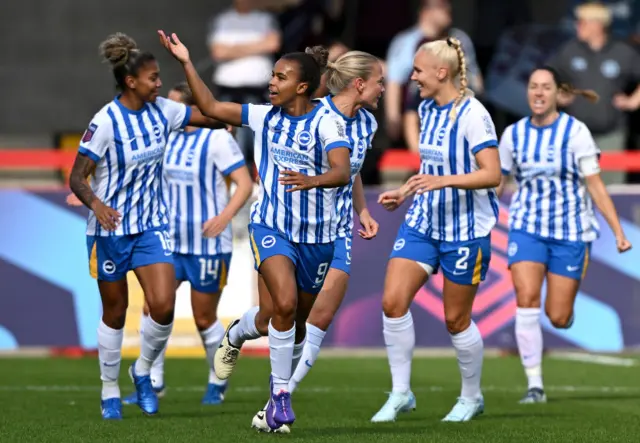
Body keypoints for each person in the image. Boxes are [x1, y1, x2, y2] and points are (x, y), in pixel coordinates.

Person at [157, 31, 351, 430]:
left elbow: (342, 170)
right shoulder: (264, 116)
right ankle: (280, 398)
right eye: (272, 75)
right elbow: (209, 106)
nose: (271, 83)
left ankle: (237, 334)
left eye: (280, 77)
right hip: (271, 226)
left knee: (285, 320)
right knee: (283, 304)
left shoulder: (327, 123)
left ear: (301, 86)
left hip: (318, 237)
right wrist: (187, 62)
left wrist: (312, 181)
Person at [69, 33, 229, 420]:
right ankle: (109, 391)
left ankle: (141, 370)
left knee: (162, 306)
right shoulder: (105, 122)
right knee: (116, 312)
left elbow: (211, 113)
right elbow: (77, 177)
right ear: (131, 82)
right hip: (109, 229)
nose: (159, 84)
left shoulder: (165, 111)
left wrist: (187, 64)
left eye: (159, 77)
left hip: (152, 226)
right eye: (154, 78)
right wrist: (96, 203)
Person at [248, 50, 384, 434]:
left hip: (337, 231)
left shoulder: (367, 124)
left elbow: (350, 171)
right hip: (293, 227)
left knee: (315, 319)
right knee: (269, 317)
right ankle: (237, 337)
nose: (384, 89)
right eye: (379, 82)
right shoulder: (317, 114)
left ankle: (274, 403)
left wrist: (363, 212)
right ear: (359, 84)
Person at [373, 37, 501, 423]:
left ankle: (471, 397)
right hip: (424, 222)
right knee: (392, 303)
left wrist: (443, 182)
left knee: (456, 320)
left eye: (417, 70)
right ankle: (400, 393)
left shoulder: (473, 114)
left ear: (441, 73)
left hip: (466, 229)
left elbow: (492, 174)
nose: (412, 77)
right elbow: (430, 169)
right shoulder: (426, 109)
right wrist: (405, 191)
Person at [497, 66, 632, 404]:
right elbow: (496, 182)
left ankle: (564, 309)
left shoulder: (576, 132)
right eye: (533, 87)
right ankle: (535, 386)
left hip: (570, 231)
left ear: (559, 94)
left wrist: (617, 231)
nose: (539, 93)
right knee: (526, 298)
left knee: (558, 316)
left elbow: (595, 186)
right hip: (526, 227)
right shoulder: (512, 134)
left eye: (545, 88)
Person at [120, 82, 253, 406]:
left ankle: (217, 379)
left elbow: (245, 183)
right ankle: (153, 380)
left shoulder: (218, 138)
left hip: (208, 244)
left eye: (177, 106)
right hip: (168, 240)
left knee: (204, 317)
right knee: (154, 309)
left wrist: (224, 217)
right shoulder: (166, 138)